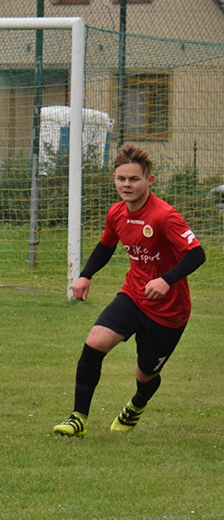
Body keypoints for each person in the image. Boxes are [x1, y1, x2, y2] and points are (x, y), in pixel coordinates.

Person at [54, 144, 205, 437]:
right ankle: (78, 418)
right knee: (95, 342)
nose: (126, 185)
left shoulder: (165, 216)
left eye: (133, 179)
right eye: (121, 178)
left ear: (149, 180)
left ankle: (136, 405)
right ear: (114, 179)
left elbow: (196, 254)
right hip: (134, 296)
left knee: (144, 374)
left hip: (169, 311)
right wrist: (85, 276)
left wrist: (166, 280)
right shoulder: (117, 213)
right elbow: (105, 246)